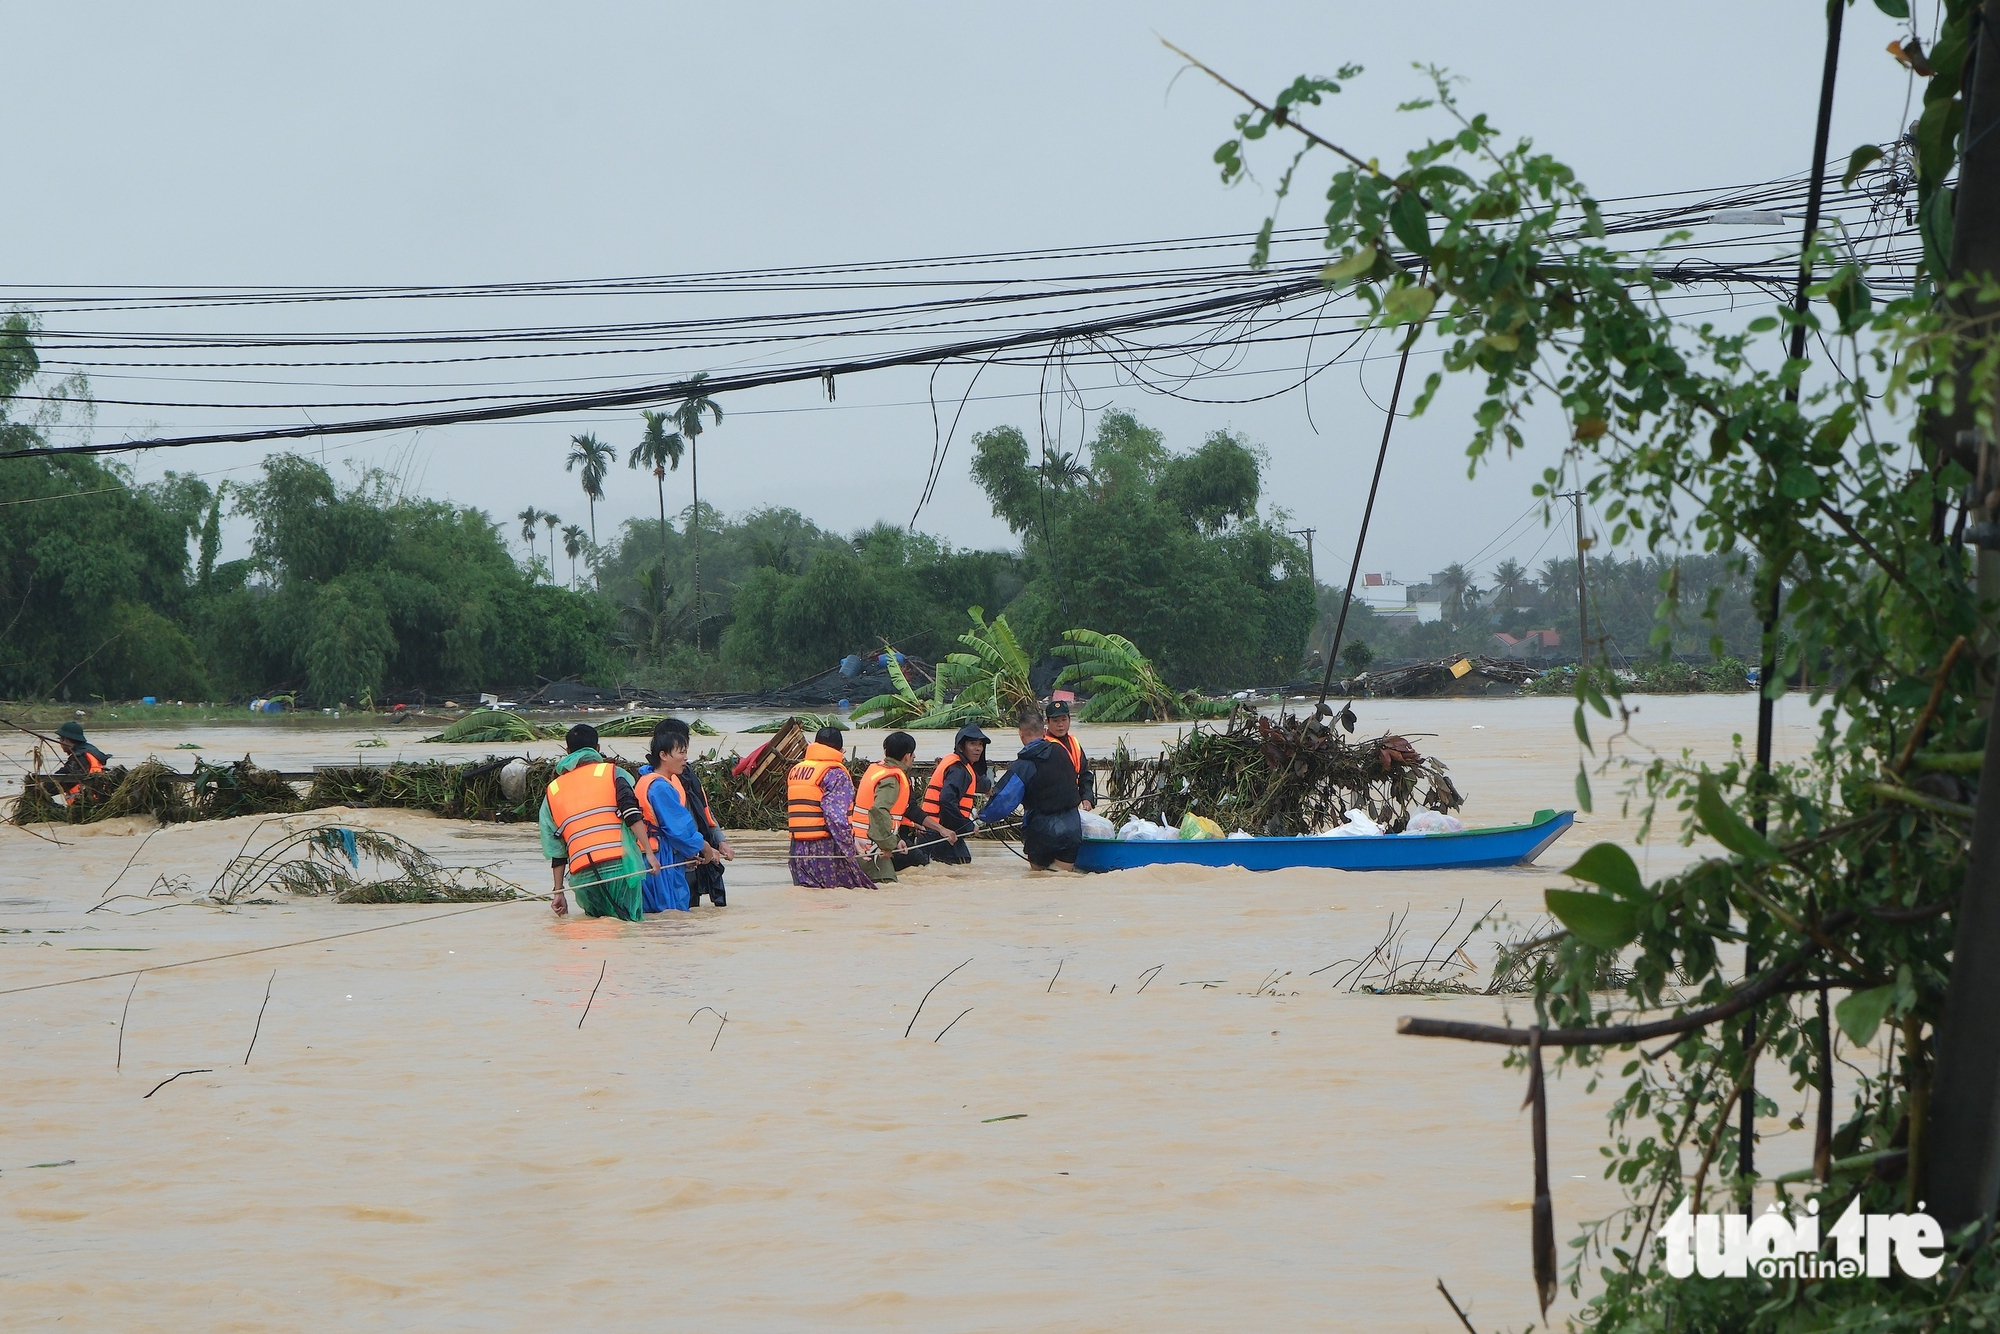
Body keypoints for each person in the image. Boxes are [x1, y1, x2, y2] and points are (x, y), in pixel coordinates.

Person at [538, 723, 660, 920]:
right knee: (628, 927)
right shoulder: (612, 774)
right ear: (597, 748)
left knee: (596, 932)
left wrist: (558, 891)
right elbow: (631, 813)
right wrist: (650, 854)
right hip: (620, 868)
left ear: (567, 751)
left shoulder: (553, 790)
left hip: (583, 876)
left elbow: (556, 849)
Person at [976, 703, 1083, 871]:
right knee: (1062, 878)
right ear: (1044, 731)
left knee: (1039, 880)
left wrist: (982, 815)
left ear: (1020, 733)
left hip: (1042, 832)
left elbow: (1004, 800)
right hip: (1072, 829)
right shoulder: (1063, 752)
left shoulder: (1024, 765)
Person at [635, 724, 718, 912]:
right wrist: (704, 846)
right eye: (681, 752)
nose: (685, 758)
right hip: (662, 858)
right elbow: (679, 829)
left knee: (653, 916)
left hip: (647, 855)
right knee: (672, 914)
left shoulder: (645, 780)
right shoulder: (661, 787)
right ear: (663, 755)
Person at [659, 718, 735, 906]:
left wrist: (720, 840)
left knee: (691, 914)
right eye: (680, 750)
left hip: (696, 855)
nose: (685, 756)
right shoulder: (658, 784)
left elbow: (704, 811)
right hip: (675, 859)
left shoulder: (688, 776)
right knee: (677, 911)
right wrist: (699, 847)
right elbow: (675, 825)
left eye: (685, 749)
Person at [787, 725, 874, 889]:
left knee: (807, 897)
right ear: (841, 751)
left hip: (797, 850)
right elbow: (835, 816)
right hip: (824, 849)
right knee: (842, 896)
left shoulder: (797, 770)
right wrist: (848, 848)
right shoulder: (835, 773)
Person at [853, 731, 922, 883]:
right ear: (907, 757)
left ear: (885, 752)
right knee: (887, 887)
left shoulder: (876, 770)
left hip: (861, 843)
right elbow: (878, 810)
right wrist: (889, 844)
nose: (914, 757)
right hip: (872, 848)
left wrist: (896, 840)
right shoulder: (891, 779)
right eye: (913, 754)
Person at [920, 723, 989, 865]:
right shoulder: (959, 770)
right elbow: (946, 800)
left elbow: (979, 782)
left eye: (980, 744)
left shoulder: (958, 765)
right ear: (961, 747)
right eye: (972, 744)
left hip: (933, 831)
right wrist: (968, 826)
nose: (978, 748)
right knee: (962, 866)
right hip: (941, 833)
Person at [1044, 699, 1095, 812]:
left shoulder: (1074, 742)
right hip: (1051, 808)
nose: (1060, 725)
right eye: (1055, 721)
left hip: (1073, 805)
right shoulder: (1043, 745)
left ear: (1069, 720)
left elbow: (1084, 774)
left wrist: (1087, 797)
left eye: (1064, 720)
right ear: (1047, 722)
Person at [54, 720, 110, 800]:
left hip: (85, 803)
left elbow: (61, 781)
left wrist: (40, 789)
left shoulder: (79, 757)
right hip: (97, 800)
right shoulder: (92, 751)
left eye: (60, 739)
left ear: (65, 740)